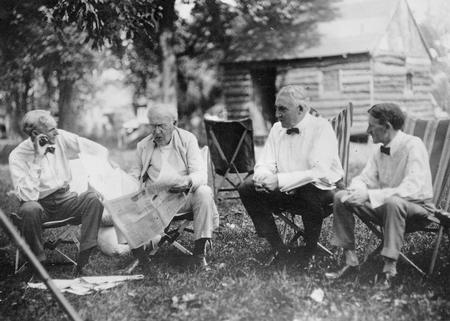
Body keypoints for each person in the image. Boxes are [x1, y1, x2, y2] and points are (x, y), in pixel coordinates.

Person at [326, 103, 434, 289]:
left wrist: (369, 194)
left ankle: (389, 270)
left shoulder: (413, 145)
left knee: (394, 202)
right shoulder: (379, 150)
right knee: (341, 197)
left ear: (387, 127)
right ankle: (350, 261)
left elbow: (413, 187)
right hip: (386, 206)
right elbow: (364, 178)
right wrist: (356, 190)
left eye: (371, 125)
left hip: (416, 209)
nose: (367, 130)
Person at [238, 85, 344, 262]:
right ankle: (279, 249)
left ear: (301, 109)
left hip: (322, 189)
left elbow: (318, 172)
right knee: (246, 187)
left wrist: (279, 180)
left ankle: (308, 253)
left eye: (282, 109)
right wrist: (262, 177)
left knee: (308, 191)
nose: (277, 114)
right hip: (287, 190)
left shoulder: (321, 128)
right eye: (276, 108)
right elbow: (265, 162)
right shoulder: (276, 129)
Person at [9, 110, 106, 278]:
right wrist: (37, 159)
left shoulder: (60, 137)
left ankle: (84, 262)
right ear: (35, 134)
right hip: (40, 207)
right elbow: (27, 197)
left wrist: (94, 178)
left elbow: (93, 149)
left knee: (93, 199)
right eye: (52, 129)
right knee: (29, 209)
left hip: (67, 200)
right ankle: (38, 265)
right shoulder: (17, 156)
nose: (57, 132)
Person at [127, 103, 219, 271]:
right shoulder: (143, 145)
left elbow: (200, 174)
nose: (156, 132)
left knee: (204, 192)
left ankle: (199, 255)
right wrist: (126, 185)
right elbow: (134, 174)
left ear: (174, 124)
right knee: (125, 201)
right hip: (154, 201)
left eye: (161, 126)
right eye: (152, 126)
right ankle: (142, 259)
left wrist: (187, 181)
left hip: (182, 197)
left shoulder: (188, 139)